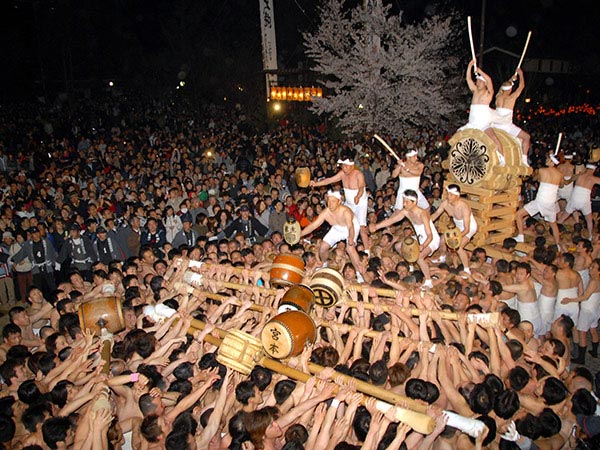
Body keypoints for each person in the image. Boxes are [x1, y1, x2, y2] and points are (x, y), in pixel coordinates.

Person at [370, 189, 440, 288]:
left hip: (431, 240)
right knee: (399, 246)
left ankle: (429, 281)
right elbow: (392, 220)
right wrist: (377, 226)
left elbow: (430, 235)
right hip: (419, 238)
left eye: (406, 202)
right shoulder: (406, 212)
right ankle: (411, 265)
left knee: (419, 257)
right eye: (403, 201)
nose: (404, 204)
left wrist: (423, 246)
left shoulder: (423, 214)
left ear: (414, 202)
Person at [310, 148, 370, 249]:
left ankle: (367, 250)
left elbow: (361, 187)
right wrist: (316, 184)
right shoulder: (342, 174)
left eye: (346, 166)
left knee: (362, 228)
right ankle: (334, 240)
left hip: (360, 203)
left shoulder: (358, 174)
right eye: (343, 166)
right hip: (349, 203)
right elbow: (329, 180)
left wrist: (358, 196)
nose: (344, 168)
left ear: (351, 166)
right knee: (339, 219)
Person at [299, 190, 364, 279]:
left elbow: (350, 227)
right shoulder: (326, 212)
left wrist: (351, 238)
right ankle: (324, 265)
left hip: (352, 227)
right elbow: (313, 225)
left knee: (350, 248)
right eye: (328, 201)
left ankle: (360, 275)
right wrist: (301, 233)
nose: (330, 204)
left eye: (333, 201)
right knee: (323, 247)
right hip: (337, 228)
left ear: (339, 202)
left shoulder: (345, 211)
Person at [459, 60, 504, 163]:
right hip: (472, 123)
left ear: (484, 83)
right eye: (477, 80)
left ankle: (502, 159)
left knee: (494, 138)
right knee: (457, 137)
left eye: (479, 81)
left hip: (483, 123)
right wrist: (470, 66)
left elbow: (490, 81)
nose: (477, 82)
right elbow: (468, 79)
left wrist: (480, 71)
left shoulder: (488, 93)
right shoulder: (475, 91)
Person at [515, 154, 563, 246]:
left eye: (548, 159)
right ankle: (558, 244)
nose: (546, 160)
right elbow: (561, 185)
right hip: (551, 202)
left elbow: (536, 179)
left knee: (518, 215)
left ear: (552, 162)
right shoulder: (560, 174)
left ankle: (521, 236)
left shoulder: (542, 170)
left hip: (540, 201)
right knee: (553, 225)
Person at [430, 184, 478, 273]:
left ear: (457, 195)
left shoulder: (464, 207)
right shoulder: (445, 204)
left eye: (451, 195)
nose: (448, 196)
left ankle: (466, 269)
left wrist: (455, 238)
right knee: (442, 240)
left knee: (458, 247)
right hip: (458, 227)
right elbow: (435, 215)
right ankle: (442, 257)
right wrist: (427, 222)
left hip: (470, 227)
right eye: (448, 194)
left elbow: (467, 229)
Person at [561, 258, 600, 364]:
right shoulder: (597, 280)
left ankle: (581, 358)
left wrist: (570, 300)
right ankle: (594, 351)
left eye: (593, 268)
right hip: (595, 309)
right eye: (591, 266)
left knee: (582, 332)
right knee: (593, 329)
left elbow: (585, 297)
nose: (590, 269)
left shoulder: (593, 281)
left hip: (587, 310)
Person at [492, 68, 531, 165]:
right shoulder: (511, 98)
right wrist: (521, 74)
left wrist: (511, 79)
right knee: (526, 137)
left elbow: (504, 86)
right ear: (510, 89)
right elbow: (521, 86)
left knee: (521, 139)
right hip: (506, 126)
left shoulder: (498, 96)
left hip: (495, 125)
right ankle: (524, 160)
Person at [558, 163, 600, 238]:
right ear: (594, 169)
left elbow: (568, 181)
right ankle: (590, 236)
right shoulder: (593, 178)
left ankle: (555, 230)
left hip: (574, 199)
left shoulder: (579, 176)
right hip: (584, 201)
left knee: (562, 218)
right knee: (589, 220)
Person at [501, 262, 542, 336]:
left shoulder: (522, 287)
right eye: (517, 273)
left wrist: (482, 280)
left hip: (527, 316)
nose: (518, 276)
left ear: (528, 275)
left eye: (521, 274)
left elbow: (502, 287)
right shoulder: (530, 282)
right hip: (535, 314)